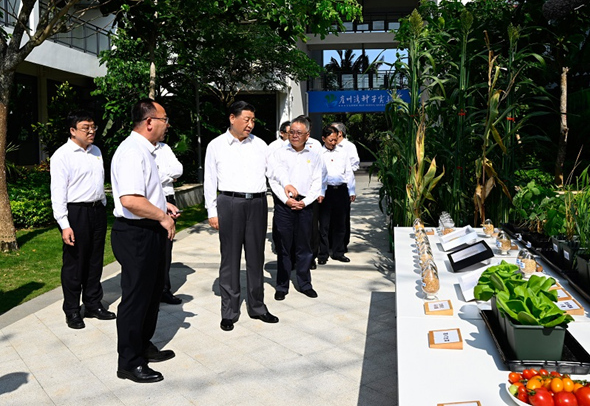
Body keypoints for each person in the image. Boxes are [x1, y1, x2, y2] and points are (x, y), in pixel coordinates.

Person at [111, 99, 179, 383]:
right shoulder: (131, 151)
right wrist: (162, 217)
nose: (167, 125)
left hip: (149, 230)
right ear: (149, 122)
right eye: (164, 119)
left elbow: (145, 193)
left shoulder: (146, 151)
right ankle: (129, 362)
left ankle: (142, 345)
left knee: (151, 295)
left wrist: (163, 206)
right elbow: (130, 200)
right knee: (136, 299)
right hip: (135, 233)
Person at [204, 100, 279, 332]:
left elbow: (273, 173)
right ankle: (229, 311)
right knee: (230, 258)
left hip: (257, 203)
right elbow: (209, 180)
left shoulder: (260, 145)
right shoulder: (216, 145)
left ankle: (257, 306)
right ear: (232, 118)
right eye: (246, 119)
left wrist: (285, 186)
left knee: (256, 257)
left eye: (253, 120)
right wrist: (212, 211)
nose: (250, 125)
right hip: (229, 202)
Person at [50, 110, 116, 329]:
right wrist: (64, 224)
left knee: (95, 260)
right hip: (76, 212)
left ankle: (93, 304)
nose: (91, 131)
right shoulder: (62, 155)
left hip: (97, 211)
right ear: (72, 130)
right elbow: (58, 193)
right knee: (75, 263)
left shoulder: (96, 151)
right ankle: (72, 310)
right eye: (85, 128)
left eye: (93, 127)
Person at [268, 116, 323, 301]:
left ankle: (305, 283)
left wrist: (305, 202)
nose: (294, 135)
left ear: (307, 134)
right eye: (291, 132)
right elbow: (273, 180)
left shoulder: (314, 155)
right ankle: (282, 285)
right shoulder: (279, 153)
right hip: (284, 206)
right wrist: (286, 200)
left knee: (304, 246)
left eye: (299, 132)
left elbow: (318, 182)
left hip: (306, 205)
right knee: (284, 246)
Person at [318, 125, 356, 265]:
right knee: (324, 224)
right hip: (325, 191)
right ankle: (323, 253)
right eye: (330, 140)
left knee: (340, 223)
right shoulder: (318, 153)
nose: (333, 143)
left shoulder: (343, 152)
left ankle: (338, 252)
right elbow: (317, 174)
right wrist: (320, 192)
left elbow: (349, 172)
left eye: (335, 140)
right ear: (323, 139)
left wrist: (351, 190)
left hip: (341, 190)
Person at [154, 140, 183, 305]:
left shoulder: (165, 148)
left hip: (169, 198)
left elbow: (179, 169)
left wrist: (160, 173)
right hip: (152, 201)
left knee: (166, 246)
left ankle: (164, 289)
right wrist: (169, 176)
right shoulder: (139, 148)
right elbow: (149, 178)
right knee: (151, 247)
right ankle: (151, 290)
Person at [332, 122, 359, 252]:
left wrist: (341, 170)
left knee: (343, 217)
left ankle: (343, 244)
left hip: (344, 186)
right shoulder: (327, 146)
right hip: (329, 187)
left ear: (340, 133)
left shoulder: (349, 147)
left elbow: (354, 165)